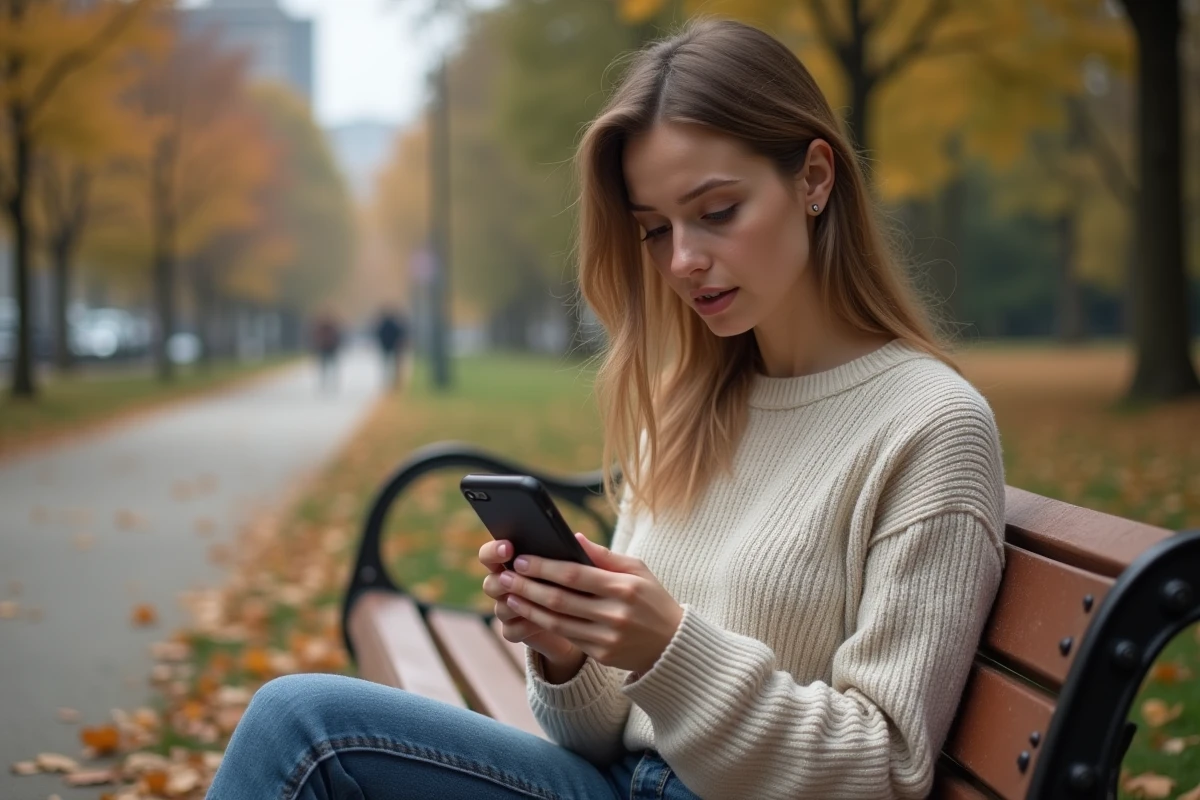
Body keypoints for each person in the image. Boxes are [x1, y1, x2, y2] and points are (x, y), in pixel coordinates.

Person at [209, 18, 1004, 800]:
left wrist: (670, 646)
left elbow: (887, 770)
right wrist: (565, 649)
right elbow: (601, 732)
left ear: (815, 179)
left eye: (717, 212)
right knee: (299, 722)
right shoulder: (694, 401)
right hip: (621, 782)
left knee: (301, 729)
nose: (684, 261)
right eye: (655, 230)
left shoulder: (929, 425)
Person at [374, 307, 410, 390]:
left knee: (386, 365)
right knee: (394, 366)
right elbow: (400, 335)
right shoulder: (395, 325)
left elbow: (378, 335)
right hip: (394, 348)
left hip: (385, 347)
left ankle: (387, 380)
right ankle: (394, 381)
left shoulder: (382, 326)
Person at [311, 313, 341, 393]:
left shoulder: (329, 329)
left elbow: (337, 338)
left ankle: (330, 383)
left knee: (328, 367)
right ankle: (326, 383)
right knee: (325, 367)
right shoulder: (325, 329)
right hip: (326, 349)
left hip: (329, 349)